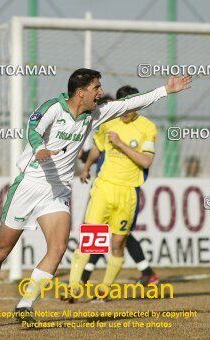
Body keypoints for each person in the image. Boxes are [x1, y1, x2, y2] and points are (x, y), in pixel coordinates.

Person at [0, 68, 192, 328]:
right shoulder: (53, 108)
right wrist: (40, 148)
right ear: (81, 92)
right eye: (96, 88)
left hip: (57, 191)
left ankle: (25, 304)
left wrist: (165, 90)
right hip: (30, 185)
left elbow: (130, 102)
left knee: (58, 247)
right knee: (1, 251)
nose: (100, 92)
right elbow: (33, 128)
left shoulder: (94, 114)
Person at [69, 86, 159, 299]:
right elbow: (97, 148)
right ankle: (73, 287)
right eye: (124, 105)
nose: (127, 111)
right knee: (91, 240)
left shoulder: (148, 128)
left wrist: (120, 144)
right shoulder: (108, 122)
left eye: (132, 105)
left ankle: (104, 290)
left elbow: (146, 160)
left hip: (128, 192)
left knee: (118, 242)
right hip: (104, 188)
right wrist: (86, 167)